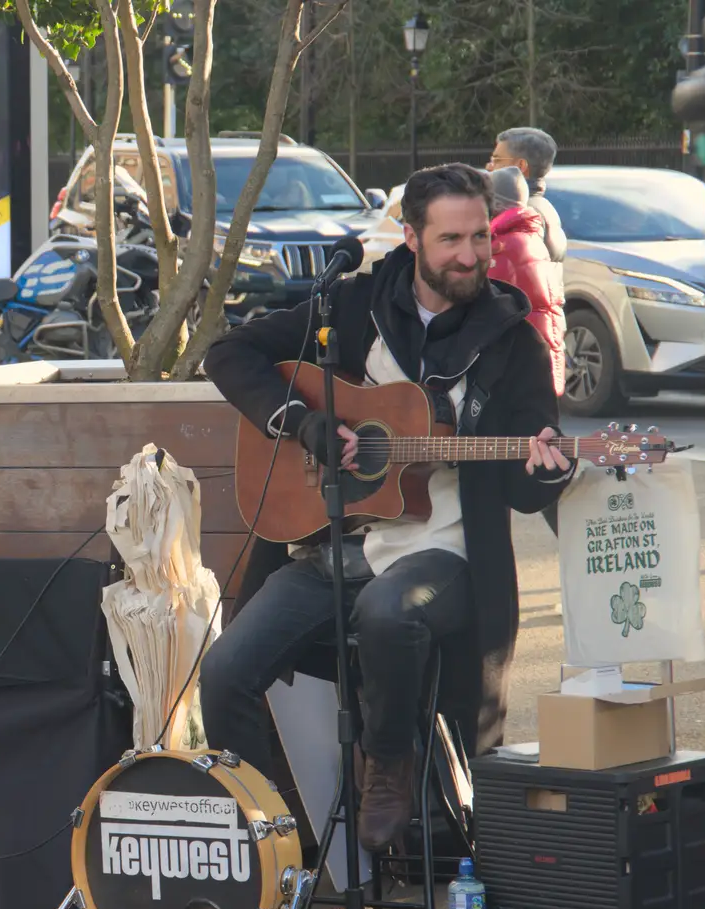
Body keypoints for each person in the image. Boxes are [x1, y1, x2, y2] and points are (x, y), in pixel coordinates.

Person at [199, 164, 575, 853]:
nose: (471, 256)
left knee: (388, 612)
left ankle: (388, 767)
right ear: (411, 238)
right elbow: (229, 353)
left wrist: (549, 465)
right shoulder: (353, 305)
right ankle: (275, 839)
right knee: (225, 674)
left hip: (446, 553)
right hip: (333, 548)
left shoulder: (513, 340)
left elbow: (526, 489)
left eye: (480, 239)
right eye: (451, 240)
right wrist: (300, 422)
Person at [488, 166, 566, 397]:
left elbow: (485, 305)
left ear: (495, 203)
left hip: (521, 369)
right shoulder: (530, 239)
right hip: (539, 363)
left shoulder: (504, 246)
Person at [487, 127, 567, 265]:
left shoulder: (521, 215)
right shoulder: (544, 207)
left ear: (520, 165)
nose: (490, 167)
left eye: (497, 160)